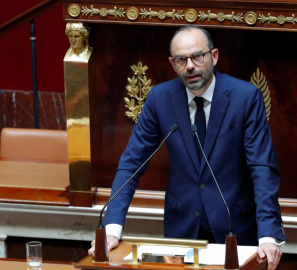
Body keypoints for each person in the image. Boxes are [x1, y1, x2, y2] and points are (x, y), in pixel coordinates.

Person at [88, 25, 286, 269]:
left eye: (197, 56)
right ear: (173, 64)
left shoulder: (245, 97)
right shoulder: (159, 99)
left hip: (236, 229)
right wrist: (112, 228)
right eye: (182, 60)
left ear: (213, 56)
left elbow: (262, 167)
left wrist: (268, 235)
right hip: (182, 231)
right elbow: (131, 164)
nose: (190, 65)